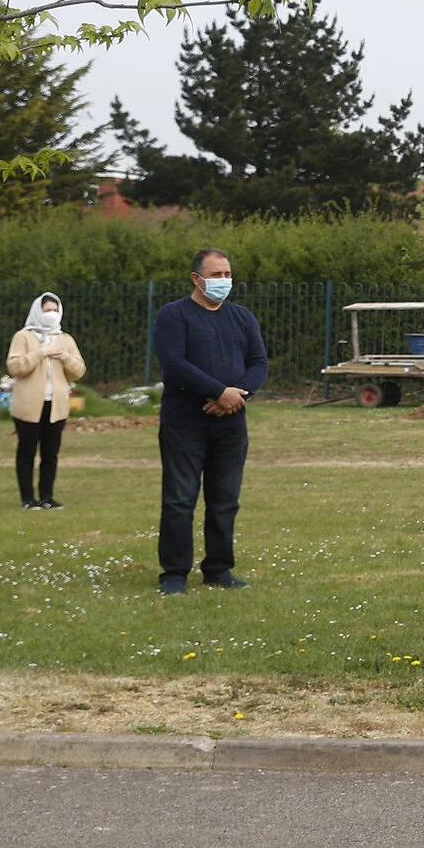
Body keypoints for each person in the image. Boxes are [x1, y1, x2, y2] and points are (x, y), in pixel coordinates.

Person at [151, 248, 267, 594]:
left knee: (225, 499)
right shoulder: (174, 316)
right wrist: (219, 391)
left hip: (231, 424)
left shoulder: (243, 317)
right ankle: (174, 573)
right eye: (216, 275)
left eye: (227, 275)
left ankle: (218, 568)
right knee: (179, 499)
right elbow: (174, 363)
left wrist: (238, 394)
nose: (223, 282)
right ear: (196, 279)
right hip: (185, 423)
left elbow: (259, 362)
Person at [6, 293, 84, 510]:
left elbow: (78, 370)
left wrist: (65, 357)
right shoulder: (23, 337)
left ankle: (47, 497)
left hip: (56, 405)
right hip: (29, 405)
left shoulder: (65, 339)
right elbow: (15, 367)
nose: (51, 314)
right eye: (47, 310)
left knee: (50, 454)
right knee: (27, 452)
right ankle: (28, 498)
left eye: (54, 310)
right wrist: (40, 353)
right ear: (37, 312)